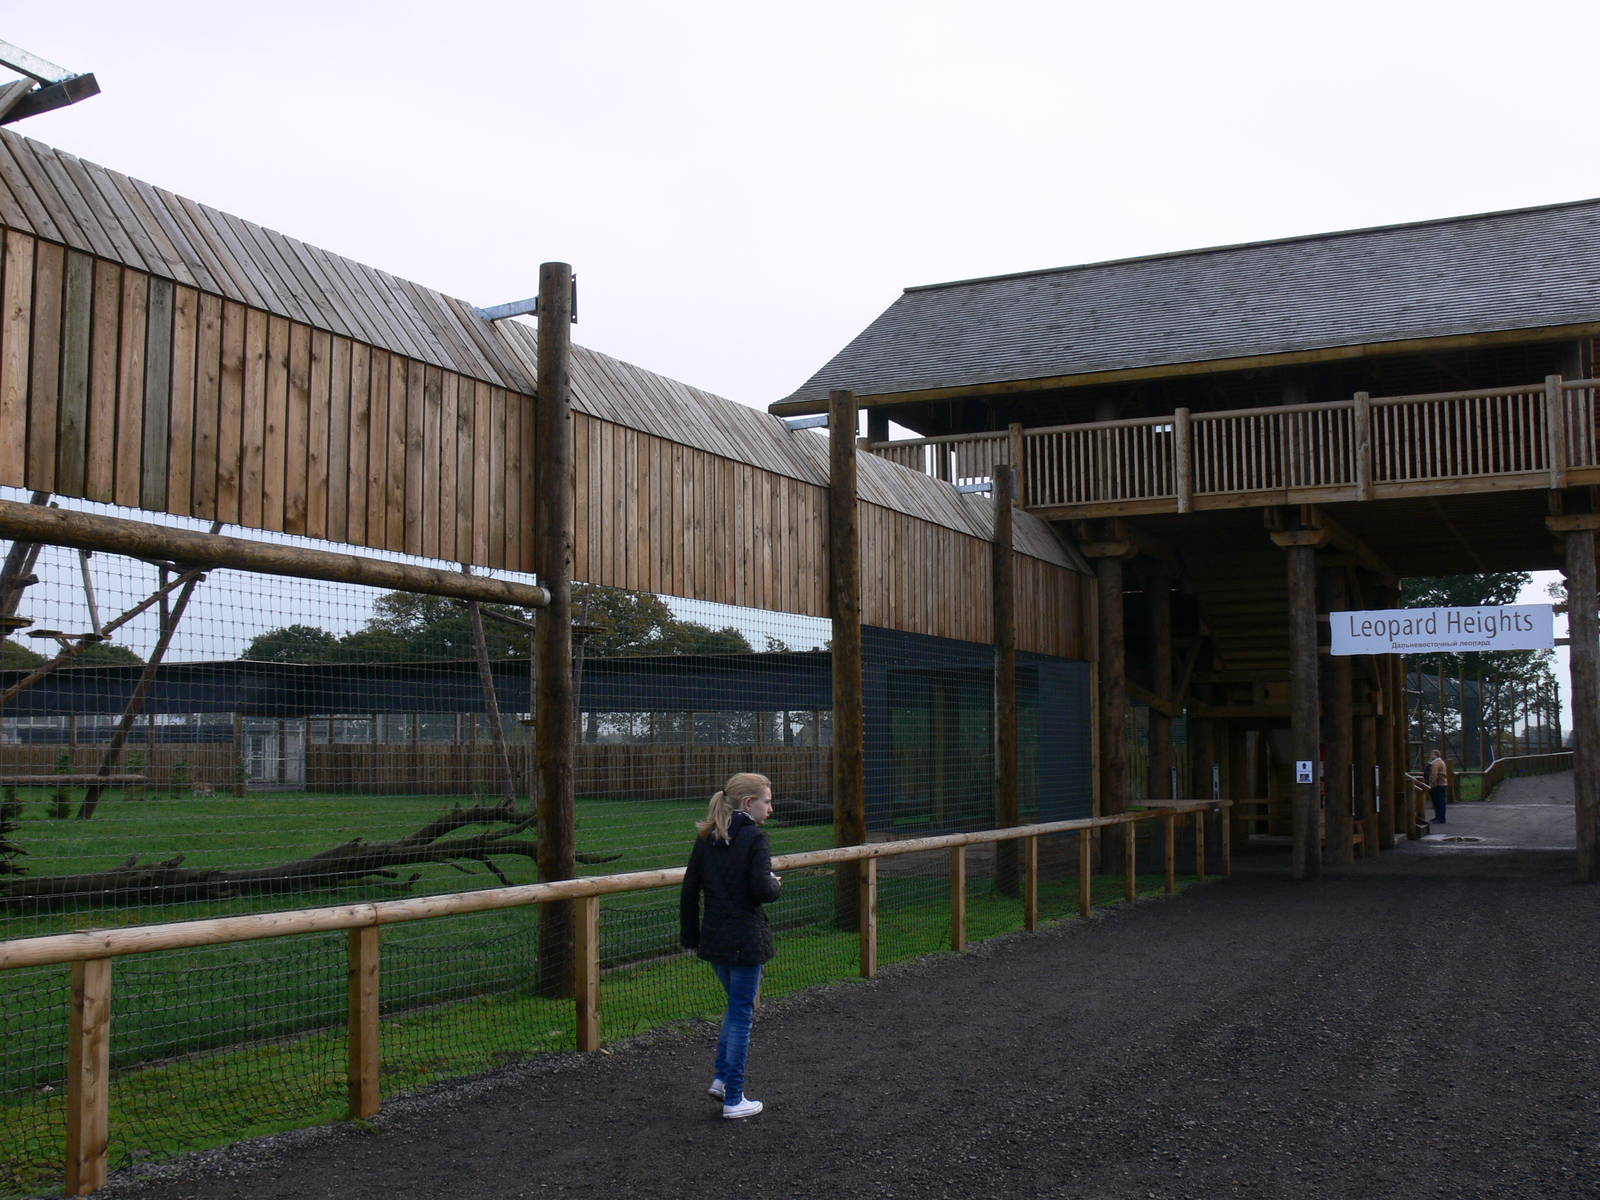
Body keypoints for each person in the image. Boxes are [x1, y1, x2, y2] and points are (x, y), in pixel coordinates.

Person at [679, 772, 782, 1119]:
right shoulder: (755, 838)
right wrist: (774, 884)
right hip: (746, 940)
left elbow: (689, 890)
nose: (771, 809)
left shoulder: (707, 838)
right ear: (749, 803)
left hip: (715, 940)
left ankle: (722, 1080)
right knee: (741, 1015)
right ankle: (735, 1099)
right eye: (767, 802)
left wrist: (691, 938)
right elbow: (761, 890)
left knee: (736, 1009)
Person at [1427, 750, 1450, 824]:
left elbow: (1434, 774)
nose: (1431, 756)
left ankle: (1440, 818)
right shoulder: (1440, 761)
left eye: (1432, 754)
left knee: (1438, 802)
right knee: (1440, 802)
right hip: (1442, 784)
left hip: (1438, 784)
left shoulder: (1436, 763)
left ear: (1435, 755)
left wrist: (1432, 784)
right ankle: (1438, 817)